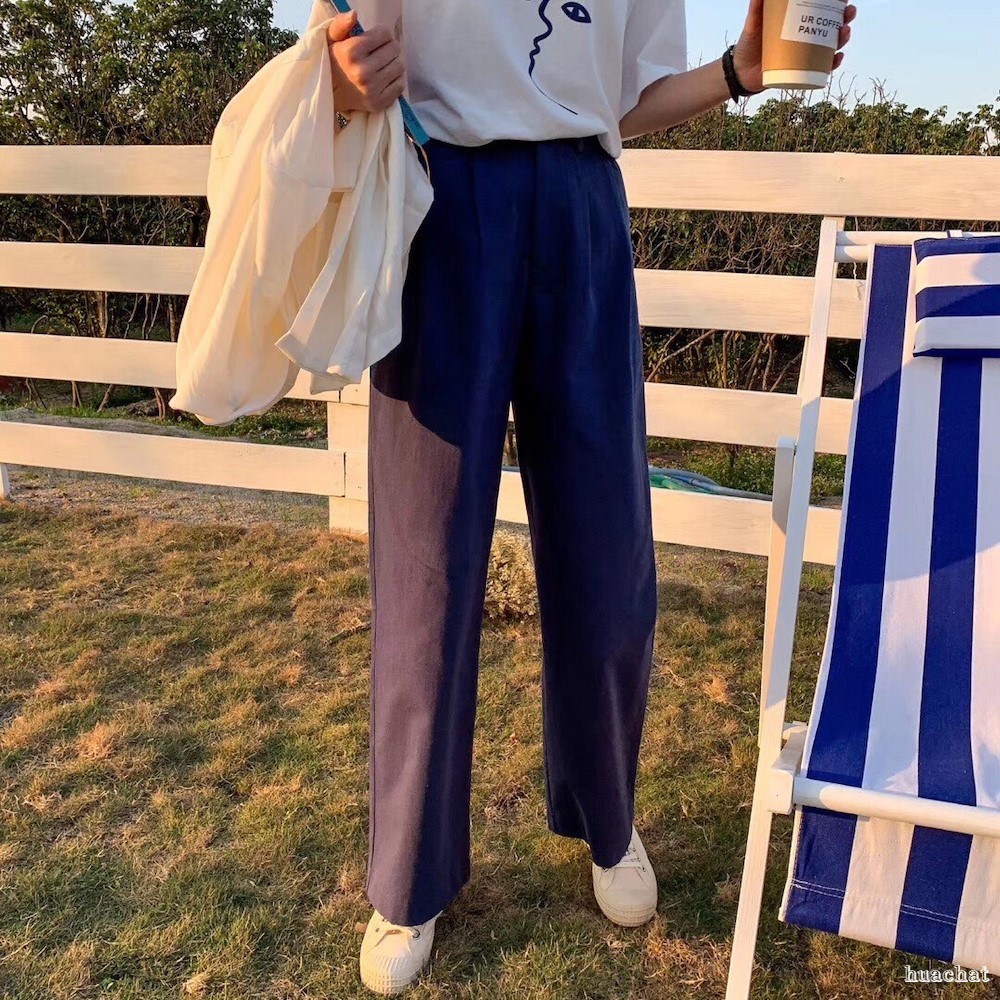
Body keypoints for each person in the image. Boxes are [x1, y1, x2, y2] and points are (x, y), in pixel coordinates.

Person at [325, 0, 855, 993]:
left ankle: (608, 820)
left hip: (581, 206)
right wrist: (344, 68)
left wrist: (737, 72)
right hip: (439, 195)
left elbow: (626, 99)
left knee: (609, 560)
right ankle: (408, 874)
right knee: (427, 569)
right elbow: (347, 32)